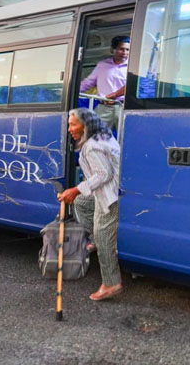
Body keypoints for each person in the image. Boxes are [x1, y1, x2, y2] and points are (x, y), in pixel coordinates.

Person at [58, 108, 123, 301]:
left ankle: (111, 283)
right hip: (104, 191)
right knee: (81, 203)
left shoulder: (92, 146)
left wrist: (75, 189)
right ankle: (95, 239)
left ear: (85, 125)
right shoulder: (102, 137)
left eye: (73, 124)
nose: (69, 128)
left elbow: (104, 174)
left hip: (108, 195)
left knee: (105, 240)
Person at [79, 36, 129, 131]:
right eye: (121, 49)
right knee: (94, 136)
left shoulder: (132, 67)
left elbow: (133, 85)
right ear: (113, 49)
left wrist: (115, 95)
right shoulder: (102, 65)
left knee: (125, 138)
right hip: (104, 107)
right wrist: (70, 91)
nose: (125, 53)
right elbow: (88, 83)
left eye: (127, 50)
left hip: (123, 107)